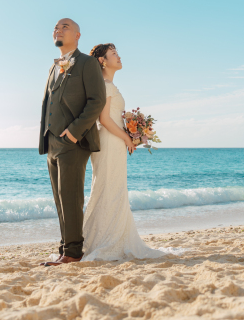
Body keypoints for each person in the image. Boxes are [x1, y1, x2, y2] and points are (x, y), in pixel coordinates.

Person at [81, 43, 166, 261]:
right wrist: (128, 137)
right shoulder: (104, 85)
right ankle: (103, 242)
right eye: (113, 54)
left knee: (113, 188)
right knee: (107, 187)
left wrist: (132, 129)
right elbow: (104, 119)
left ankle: (111, 238)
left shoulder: (109, 84)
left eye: (118, 53)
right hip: (110, 140)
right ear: (102, 61)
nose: (119, 57)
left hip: (114, 139)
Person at [39, 18, 106, 266]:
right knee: (60, 199)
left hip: (73, 141)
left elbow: (97, 100)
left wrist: (74, 131)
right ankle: (65, 248)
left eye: (64, 26)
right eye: (55, 27)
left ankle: (74, 252)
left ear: (78, 35)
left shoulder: (87, 63)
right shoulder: (53, 67)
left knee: (71, 197)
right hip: (51, 142)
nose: (58, 29)